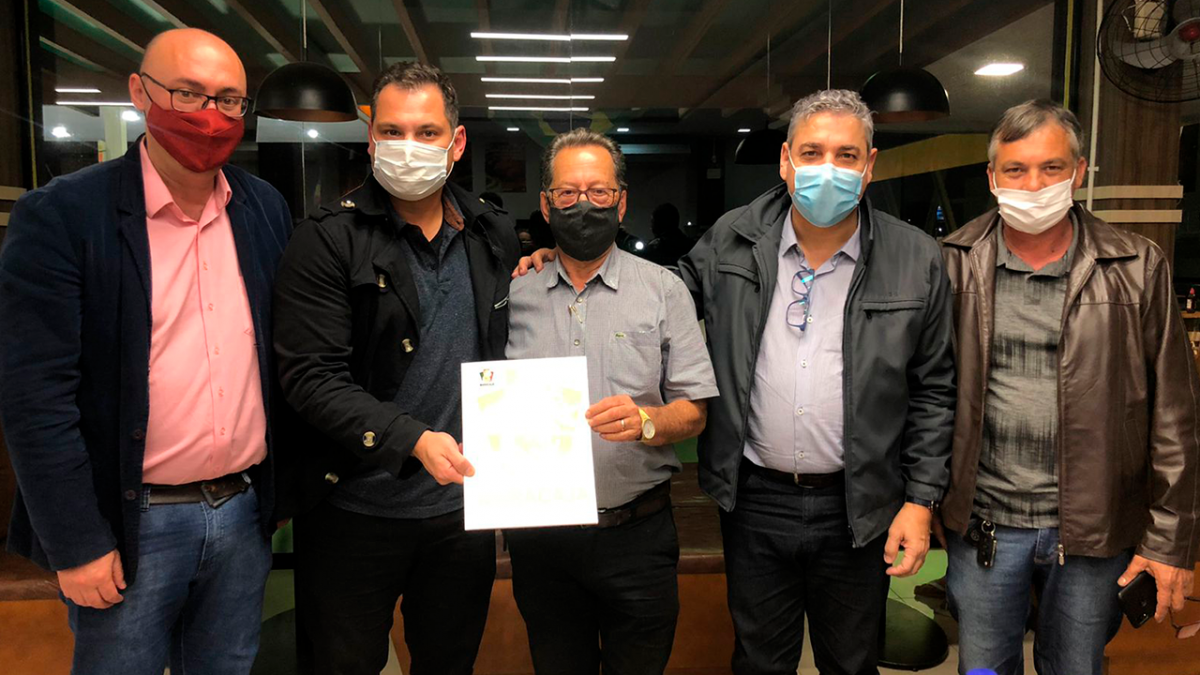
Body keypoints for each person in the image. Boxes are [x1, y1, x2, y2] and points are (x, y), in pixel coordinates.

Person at [0, 28, 292, 674]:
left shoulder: (263, 209)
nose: (210, 116)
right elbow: (33, 397)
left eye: (229, 100)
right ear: (139, 92)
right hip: (130, 526)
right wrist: (76, 541)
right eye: (187, 93)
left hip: (242, 514)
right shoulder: (64, 216)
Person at [679, 90, 956, 675]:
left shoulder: (917, 258)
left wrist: (920, 501)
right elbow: (658, 304)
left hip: (859, 504)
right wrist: (569, 263)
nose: (827, 168)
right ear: (785, 160)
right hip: (754, 498)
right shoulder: (731, 239)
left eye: (846, 155)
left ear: (869, 165)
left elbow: (934, 388)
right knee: (759, 662)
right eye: (812, 152)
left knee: (851, 662)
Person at [272, 62, 519, 675]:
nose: (409, 146)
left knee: (449, 663)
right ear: (371, 138)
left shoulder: (492, 234)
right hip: (352, 511)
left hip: (459, 515)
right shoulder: (326, 239)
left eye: (427, 132)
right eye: (392, 131)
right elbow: (311, 377)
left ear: (457, 143)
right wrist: (412, 439)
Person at [938, 99, 1200, 675]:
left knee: (1077, 668)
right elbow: (926, 395)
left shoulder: (1137, 266)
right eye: (1016, 169)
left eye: (1051, 167)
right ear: (992, 177)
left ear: (1078, 171)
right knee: (982, 668)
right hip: (984, 526)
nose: (1034, 185)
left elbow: (1175, 417)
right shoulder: (951, 263)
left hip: (1095, 531)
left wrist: (1169, 540)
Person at [505, 128, 719, 675]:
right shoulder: (512, 294)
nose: (584, 205)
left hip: (637, 536)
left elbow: (695, 410)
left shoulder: (665, 290)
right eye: (568, 193)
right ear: (546, 206)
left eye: (599, 191)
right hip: (541, 543)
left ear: (621, 203)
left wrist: (648, 420)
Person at [643, 203, 692, 267]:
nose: (651, 227)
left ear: (661, 223)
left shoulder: (654, 248)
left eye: (653, 222)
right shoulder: (691, 246)